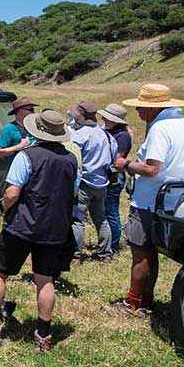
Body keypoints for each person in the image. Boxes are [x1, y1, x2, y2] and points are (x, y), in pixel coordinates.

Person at [0, 110, 78, 352]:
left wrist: (5, 207)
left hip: (21, 226)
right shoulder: (71, 160)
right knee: (45, 279)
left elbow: (12, 193)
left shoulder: (27, 156)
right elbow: (72, 193)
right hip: (54, 228)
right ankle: (43, 334)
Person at [112, 84, 184, 315]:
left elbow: (152, 169)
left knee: (140, 252)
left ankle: (133, 302)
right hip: (175, 198)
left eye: (141, 106)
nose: (138, 111)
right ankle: (146, 300)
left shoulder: (160, 128)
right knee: (152, 251)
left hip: (149, 200)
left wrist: (127, 165)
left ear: (153, 108)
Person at [68, 101, 116, 261]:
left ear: (80, 116)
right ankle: (105, 253)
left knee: (77, 219)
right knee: (101, 219)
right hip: (101, 183)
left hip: (84, 184)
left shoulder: (79, 135)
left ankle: (75, 254)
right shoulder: (106, 135)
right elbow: (113, 156)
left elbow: (72, 159)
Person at [98, 103, 132, 255]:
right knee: (107, 209)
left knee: (111, 211)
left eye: (107, 118)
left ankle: (114, 245)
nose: (104, 119)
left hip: (115, 177)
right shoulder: (112, 132)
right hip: (110, 175)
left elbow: (117, 160)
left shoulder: (122, 137)